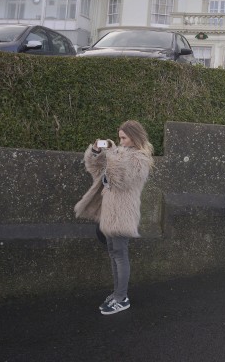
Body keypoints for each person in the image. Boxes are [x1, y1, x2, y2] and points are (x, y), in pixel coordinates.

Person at [75, 120, 153, 315]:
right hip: (109, 212)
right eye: (119, 138)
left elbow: (120, 179)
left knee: (120, 253)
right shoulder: (119, 153)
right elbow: (97, 170)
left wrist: (111, 154)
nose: (121, 141)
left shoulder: (140, 159)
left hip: (122, 213)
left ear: (134, 137)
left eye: (124, 138)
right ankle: (118, 293)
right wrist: (96, 153)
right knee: (113, 252)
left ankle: (122, 297)